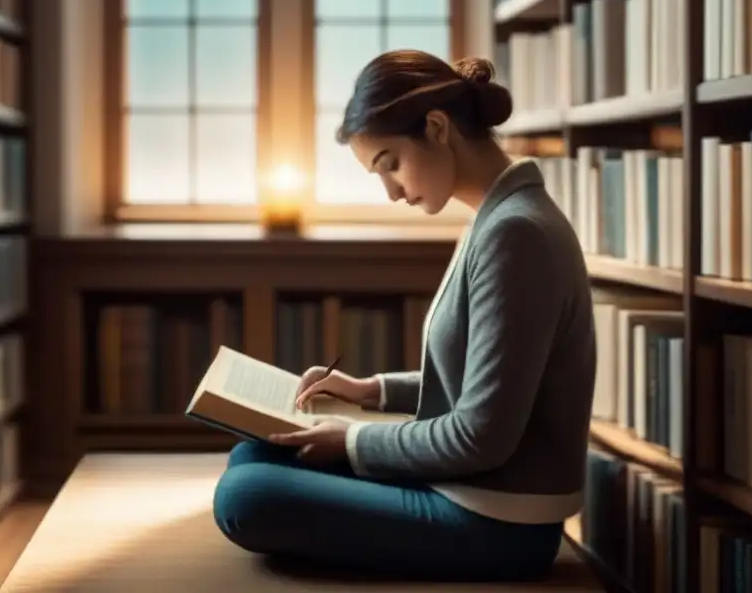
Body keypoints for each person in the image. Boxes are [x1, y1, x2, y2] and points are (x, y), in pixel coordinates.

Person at [212, 50, 597, 583]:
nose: (390, 191)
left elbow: (479, 436)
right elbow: (485, 380)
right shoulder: (500, 220)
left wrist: (349, 440)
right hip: (471, 492)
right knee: (253, 454)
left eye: (389, 163)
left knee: (246, 494)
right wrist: (370, 391)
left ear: (437, 128)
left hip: (497, 522)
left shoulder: (517, 235)